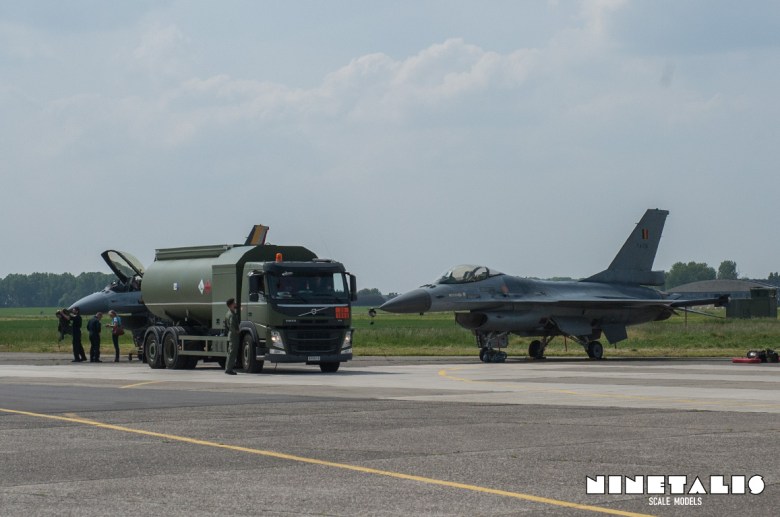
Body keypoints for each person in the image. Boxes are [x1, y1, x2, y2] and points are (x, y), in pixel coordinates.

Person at [224, 298, 240, 375]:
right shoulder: (232, 315)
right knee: (232, 353)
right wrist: (236, 331)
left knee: (230, 352)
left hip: (231, 335)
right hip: (234, 336)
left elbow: (225, 325)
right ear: (231, 305)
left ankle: (228, 368)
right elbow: (231, 325)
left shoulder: (228, 313)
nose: (235, 303)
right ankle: (229, 369)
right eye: (234, 303)